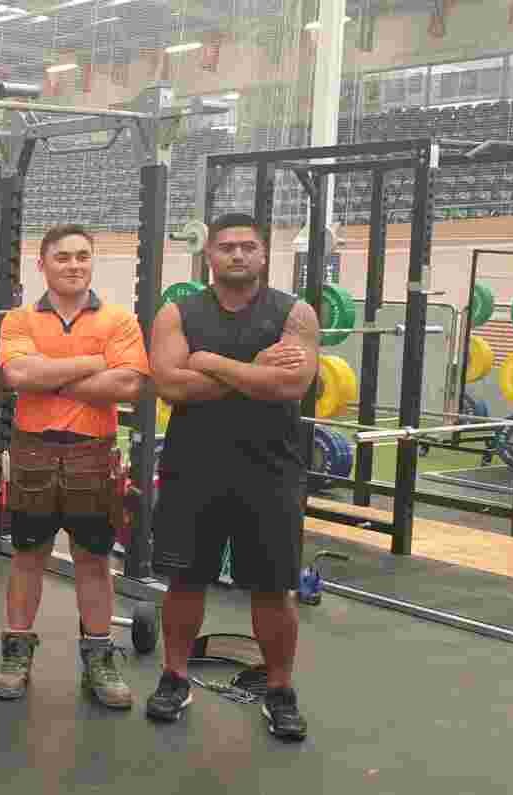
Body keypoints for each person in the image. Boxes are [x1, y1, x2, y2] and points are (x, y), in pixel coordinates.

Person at [146, 212, 318, 741]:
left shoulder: (295, 314)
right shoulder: (177, 313)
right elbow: (171, 385)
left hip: (271, 468)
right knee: (185, 579)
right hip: (194, 466)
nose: (238, 254)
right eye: (227, 247)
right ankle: (175, 677)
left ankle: (280, 689)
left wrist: (209, 361)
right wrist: (255, 368)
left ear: (264, 254)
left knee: (274, 587)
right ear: (210, 257)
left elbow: (290, 385)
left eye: (247, 246)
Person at [0, 225, 149, 709]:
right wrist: (93, 362)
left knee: (94, 560)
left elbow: (128, 385)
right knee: (27, 556)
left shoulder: (119, 319)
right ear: (42, 264)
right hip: (33, 452)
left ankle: (99, 659)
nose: (74, 265)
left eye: (83, 256)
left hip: (92, 454)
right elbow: (17, 374)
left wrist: (49, 378)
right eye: (63, 257)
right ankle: (16, 654)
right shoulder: (19, 319)